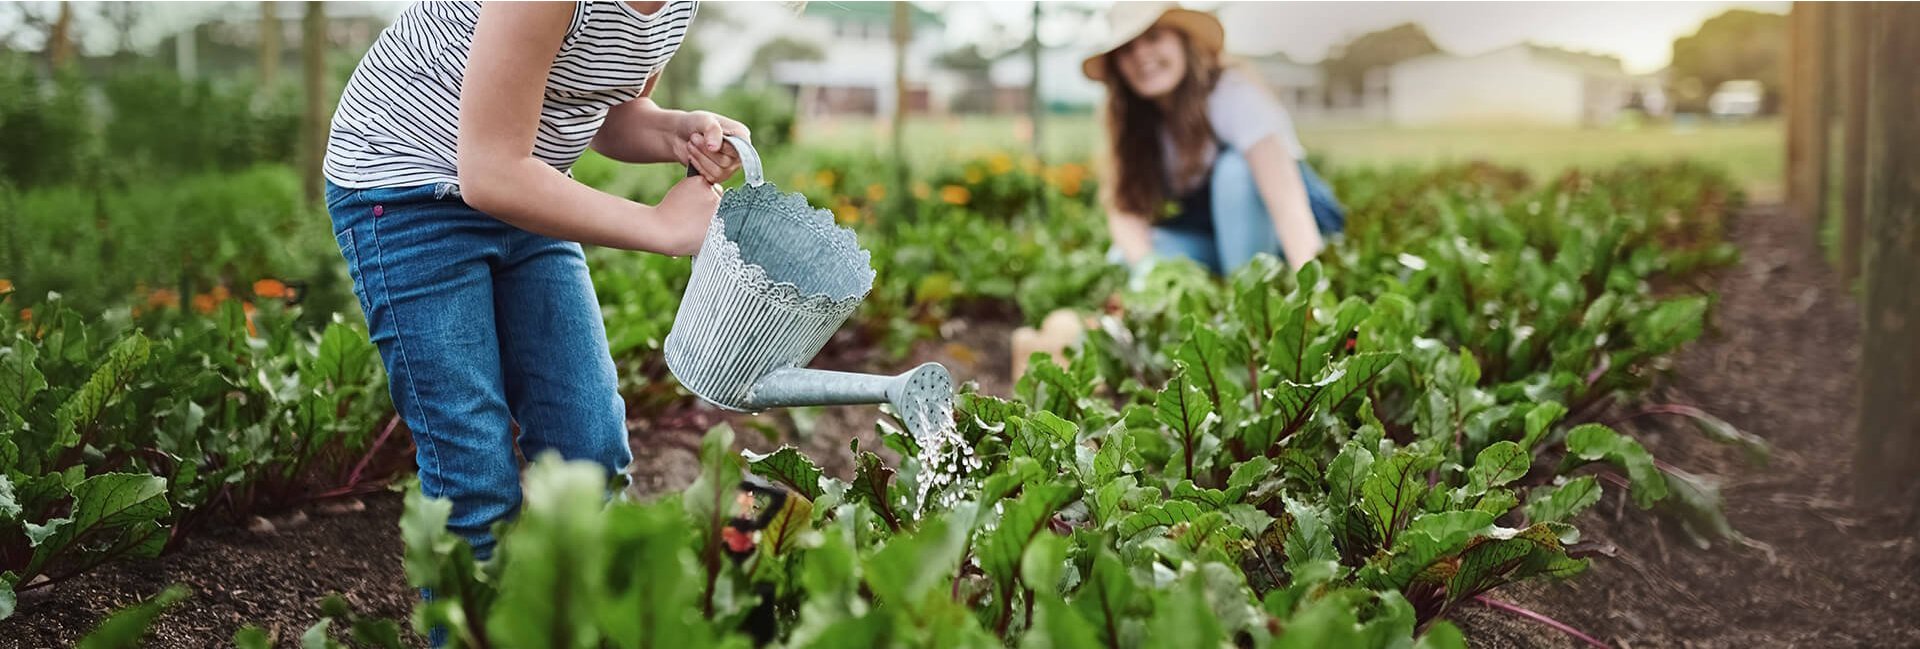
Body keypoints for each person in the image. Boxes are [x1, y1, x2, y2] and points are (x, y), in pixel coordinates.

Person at [323, 0, 745, 560]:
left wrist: (675, 132)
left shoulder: (675, 5)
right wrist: (659, 225)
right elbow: (491, 173)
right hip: (405, 196)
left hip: (523, 193)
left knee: (589, 451)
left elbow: (606, 110)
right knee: (472, 479)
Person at [1084, 2, 1345, 278]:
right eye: (1127, 48)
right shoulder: (1137, 122)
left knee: (1234, 170)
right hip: (1222, 239)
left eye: (1154, 37)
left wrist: (1312, 283)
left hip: (1291, 234)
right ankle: (1227, 282)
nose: (1141, 55)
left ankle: (1246, 294)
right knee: (1124, 256)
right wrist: (1147, 272)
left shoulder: (1231, 93)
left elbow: (1288, 205)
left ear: (1183, 40)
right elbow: (1126, 210)